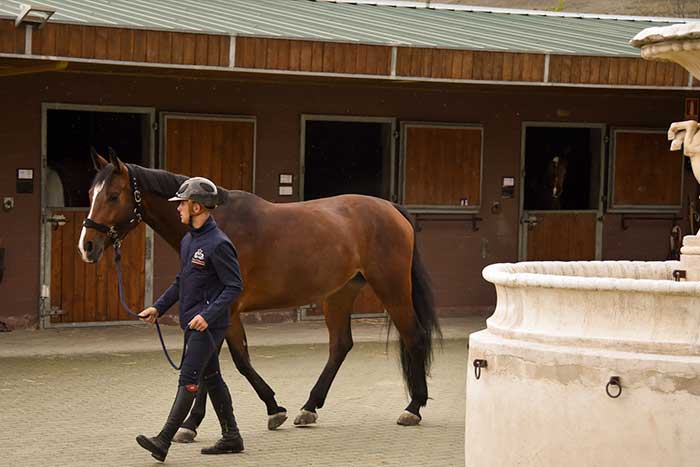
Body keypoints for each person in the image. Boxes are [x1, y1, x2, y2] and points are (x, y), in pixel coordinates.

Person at [136, 177, 244, 462]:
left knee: (189, 379)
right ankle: (232, 436)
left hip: (208, 325)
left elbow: (234, 286)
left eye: (182, 203)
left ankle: (163, 440)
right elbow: (182, 281)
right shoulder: (189, 240)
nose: (178, 209)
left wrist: (207, 316)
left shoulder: (219, 244)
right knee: (213, 378)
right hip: (194, 321)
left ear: (196, 207)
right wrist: (158, 307)